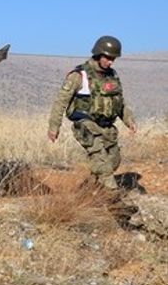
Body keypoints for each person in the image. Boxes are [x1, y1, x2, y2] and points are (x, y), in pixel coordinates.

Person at [47, 35, 137, 190]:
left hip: (107, 127)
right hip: (86, 124)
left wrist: (129, 121)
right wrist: (54, 126)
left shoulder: (112, 75)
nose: (111, 62)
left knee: (113, 161)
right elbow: (60, 102)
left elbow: (119, 102)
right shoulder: (79, 75)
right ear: (98, 54)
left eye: (113, 59)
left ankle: (89, 191)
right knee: (101, 161)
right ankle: (115, 202)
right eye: (108, 58)